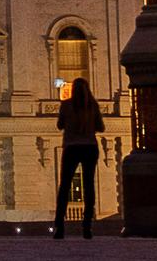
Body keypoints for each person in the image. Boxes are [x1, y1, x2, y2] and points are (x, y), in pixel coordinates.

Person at [53, 77, 105, 239]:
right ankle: (87, 226)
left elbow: (60, 125)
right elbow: (101, 127)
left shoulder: (66, 105)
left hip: (72, 147)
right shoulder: (93, 106)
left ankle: (59, 226)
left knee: (65, 186)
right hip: (89, 147)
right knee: (89, 186)